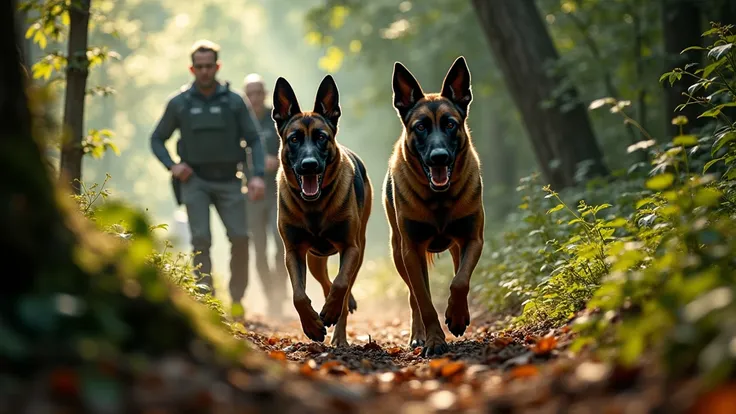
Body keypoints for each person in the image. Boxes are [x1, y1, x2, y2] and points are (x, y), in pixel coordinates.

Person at [149, 40, 266, 310]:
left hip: (229, 180)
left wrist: (257, 175)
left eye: (209, 66)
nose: (204, 71)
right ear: (192, 68)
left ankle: (237, 299)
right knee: (201, 239)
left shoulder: (235, 101)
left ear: (217, 66)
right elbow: (156, 138)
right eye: (199, 66)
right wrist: (172, 165)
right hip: (195, 181)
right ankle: (206, 300)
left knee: (240, 238)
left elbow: (254, 139)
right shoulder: (179, 103)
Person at [242, 73, 288, 318]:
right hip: (250, 196)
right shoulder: (239, 120)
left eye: (259, 92)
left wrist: (276, 161)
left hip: (277, 192)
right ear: (245, 96)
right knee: (258, 249)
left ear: (265, 94)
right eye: (250, 93)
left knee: (279, 244)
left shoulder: (275, 118)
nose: (255, 97)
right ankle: (270, 296)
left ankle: (281, 296)